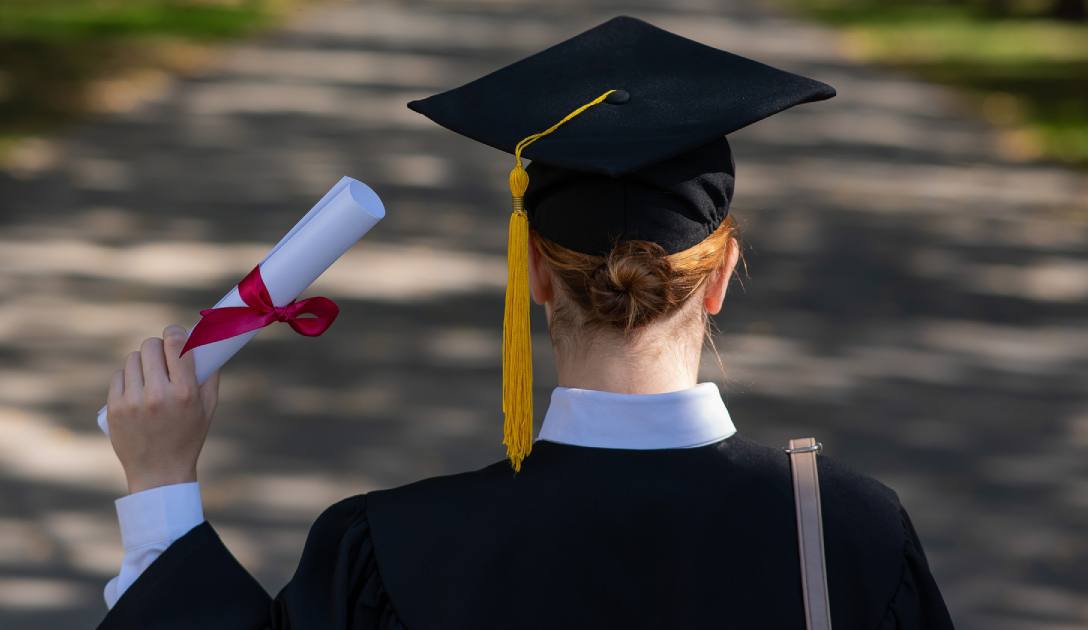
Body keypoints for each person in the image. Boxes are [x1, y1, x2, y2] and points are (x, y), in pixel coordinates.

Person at [97, 16, 955, 630]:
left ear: (535, 274)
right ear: (722, 274)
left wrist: (162, 486)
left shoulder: (395, 552)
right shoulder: (850, 533)